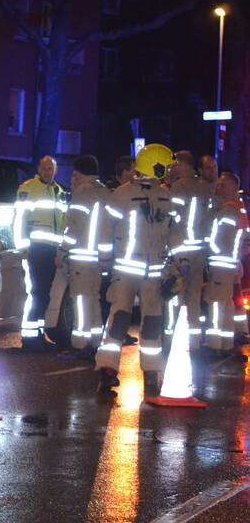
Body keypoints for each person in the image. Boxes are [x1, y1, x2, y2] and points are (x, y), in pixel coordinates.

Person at [94, 143, 180, 395]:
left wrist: (179, 264)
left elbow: (174, 234)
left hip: (149, 271)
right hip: (130, 270)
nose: (169, 170)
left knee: (150, 321)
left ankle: (149, 374)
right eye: (166, 165)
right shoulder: (124, 194)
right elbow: (105, 230)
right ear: (154, 165)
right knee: (122, 318)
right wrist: (104, 261)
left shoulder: (164, 196)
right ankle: (109, 370)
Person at [57, 155, 113, 354]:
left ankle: (80, 344)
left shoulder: (82, 193)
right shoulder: (105, 192)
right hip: (98, 258)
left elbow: (74, 228)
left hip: (81, 257)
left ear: (78, 173)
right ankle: (97, 341)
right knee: (94, 299)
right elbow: (110, 228)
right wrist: (106, 257)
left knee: (80, 301)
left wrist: (62, 251)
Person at [14, 155, 66, 347]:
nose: (47, 171)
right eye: (44, 168)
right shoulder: (28, 188)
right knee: (37, 292)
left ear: (56, 170)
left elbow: (63, 222)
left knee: (45, 294)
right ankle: (29, 337)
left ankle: (38, 334)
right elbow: (19, 219)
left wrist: (62, 249)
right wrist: (23, 247)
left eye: (50, 168)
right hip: (35, 250)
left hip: (52, 251)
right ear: (38, 168)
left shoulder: (58, 191)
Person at [165, 151, 214, 341]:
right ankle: (194, 340)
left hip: (181, 248)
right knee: (195, 296)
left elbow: (171, 217)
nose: (172, 168)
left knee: (175, 294)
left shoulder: (179, 187)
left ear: (182, 164)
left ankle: (169, 334)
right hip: (199, 250)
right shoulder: (204, 187)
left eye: (174, 164)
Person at [203, 172, 246, 352]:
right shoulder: (238, 208)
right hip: (229, 262)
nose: (217, 187)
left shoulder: (228, 210)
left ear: (232, 187)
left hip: (221, 262)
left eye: (222, 185)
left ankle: (214, 344)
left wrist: (211, 249)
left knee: (215, 303)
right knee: (227, 304)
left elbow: (220, 238)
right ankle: (227, 342)